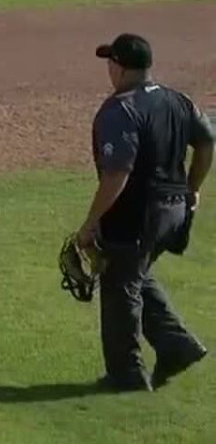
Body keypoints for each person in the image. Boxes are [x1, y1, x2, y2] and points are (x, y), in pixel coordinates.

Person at [75, 33, 212, 391]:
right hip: (174, 212)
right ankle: (176, 345)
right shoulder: (177, 100)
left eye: (110, 62)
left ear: (119, 67)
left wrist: (90, 224)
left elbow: (117, 173)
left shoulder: (119, 110)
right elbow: (207, 140)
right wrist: (193, 187)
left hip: (137, 214)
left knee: (119, 284)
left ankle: (127, 375)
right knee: (134, 273)